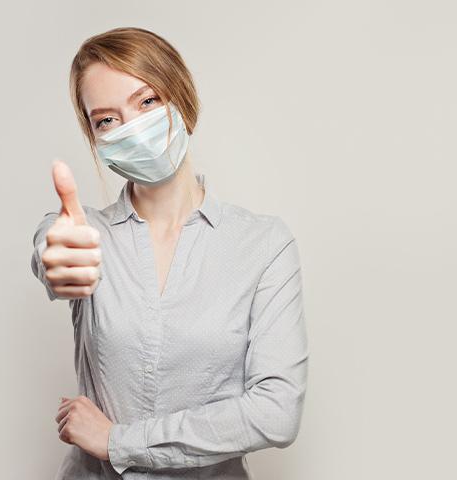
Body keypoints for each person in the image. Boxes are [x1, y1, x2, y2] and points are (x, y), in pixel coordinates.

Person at [30, 27, 309, 479]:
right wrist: (56, 257)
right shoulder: (84, 233)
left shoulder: (263, 245)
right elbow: (53, 248)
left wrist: (117, 441)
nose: (132, 128)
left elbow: (276, 412)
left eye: (147, 102)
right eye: (106, 120)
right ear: (94, 138)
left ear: (183, 101)